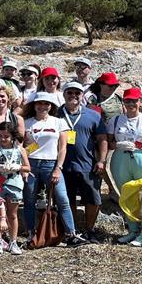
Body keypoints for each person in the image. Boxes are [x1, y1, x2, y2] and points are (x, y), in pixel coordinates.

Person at [22, 92, 87, 247]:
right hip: (31, 163)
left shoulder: (58, 122)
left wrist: (58, 168)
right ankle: (30, 232)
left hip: (51, 164)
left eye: (46, 104)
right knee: (29, 200)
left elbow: (62, 148)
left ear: (51, 106)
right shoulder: (26, 123)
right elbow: (23, 147)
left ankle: (71, 233)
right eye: (39, 103)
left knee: (62, 199)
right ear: (34, 105)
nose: (42, 106)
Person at [107, 87, 142, 247]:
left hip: (141, 158)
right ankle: (132, 230)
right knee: (125, 193)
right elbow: (108, 142)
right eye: (127, 100)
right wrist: (117, 144)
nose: (131, 104)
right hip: (120, 159)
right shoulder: (115, 120)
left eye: (134, 101)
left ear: (140, 101)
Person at [58, 81, 108, 242]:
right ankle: (73, 231)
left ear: (82, 96)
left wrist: (101, 160)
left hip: (87, 164)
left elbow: (102, 139)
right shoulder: (55, 114)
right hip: (63, 166)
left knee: (93, 199)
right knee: (68, 199)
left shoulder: (93, 115)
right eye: (69, 93)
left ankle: (89, 229)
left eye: (77, 93)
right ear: (64, 94)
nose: (73, 96)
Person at [0, 121, 30, 255]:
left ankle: (13, 241)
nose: (3, 139)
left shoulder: (19, 150)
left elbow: (27, 167)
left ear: (12, 136)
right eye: (0, 136)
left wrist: (18, 167)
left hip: (14, 184)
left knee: (12, 214)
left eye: (6, 136)